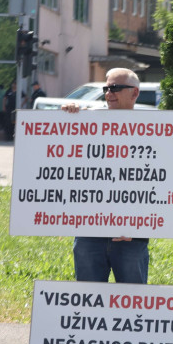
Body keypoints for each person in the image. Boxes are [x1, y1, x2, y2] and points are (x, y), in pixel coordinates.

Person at [65, 68, 149, 283]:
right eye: (106, 88)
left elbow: (160, 184)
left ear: (135, 93)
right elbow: (64, 160)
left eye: (116, 88)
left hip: (131, 236)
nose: (109, 93)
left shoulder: (153, 131)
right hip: (89, 233)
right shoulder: (88, 123)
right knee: (87, 302)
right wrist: (67, 116)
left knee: (132, 304)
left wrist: (138, 226)